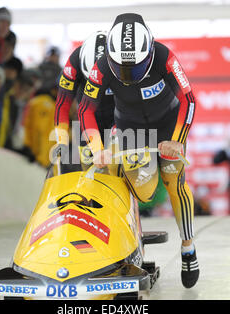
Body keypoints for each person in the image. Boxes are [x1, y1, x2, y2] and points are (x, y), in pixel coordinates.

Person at [77, 13, 198, 288]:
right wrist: (97, 148)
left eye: (135, 67)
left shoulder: (165, 57)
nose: (127, 75)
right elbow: (86, 108)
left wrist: (178, 139)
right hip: (132, 130)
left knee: (173, 181)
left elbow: (188, 99)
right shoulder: (102, 66)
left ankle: (188, 247)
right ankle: (122, 244)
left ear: (148, 51)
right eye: (121, 68)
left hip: (168, 127)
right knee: (141, 189)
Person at [54, 31, 115, 167]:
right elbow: (62, 106)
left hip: (117, 116)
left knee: (119, 166)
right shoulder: (73, 63)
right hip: (88, 118)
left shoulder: (120, 59)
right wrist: (62, 142)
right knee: (91, 168)